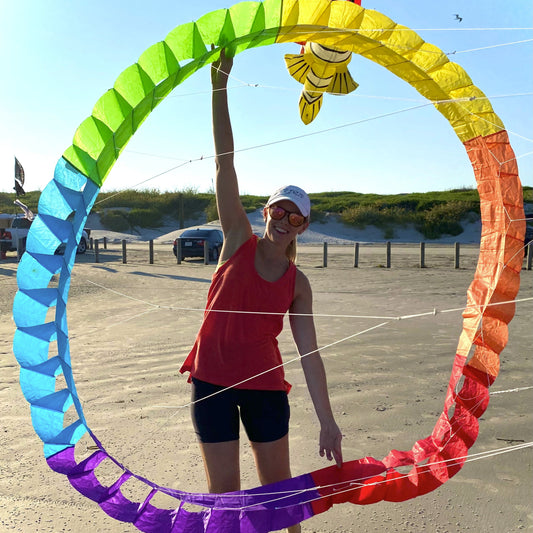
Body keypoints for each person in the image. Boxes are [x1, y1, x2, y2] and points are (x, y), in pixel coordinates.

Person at [179, 49, 342, 533]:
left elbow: (310, 355)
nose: (285, 222)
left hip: (266, 391)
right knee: (224, 498)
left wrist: (328, 421)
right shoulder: (235, 240)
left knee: (279, 497)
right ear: (265, 211)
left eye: (296, 217)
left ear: (304, 226)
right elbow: (224, 163)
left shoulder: (298, 284)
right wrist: (219, 86)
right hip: (210, 383)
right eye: (278, 211)